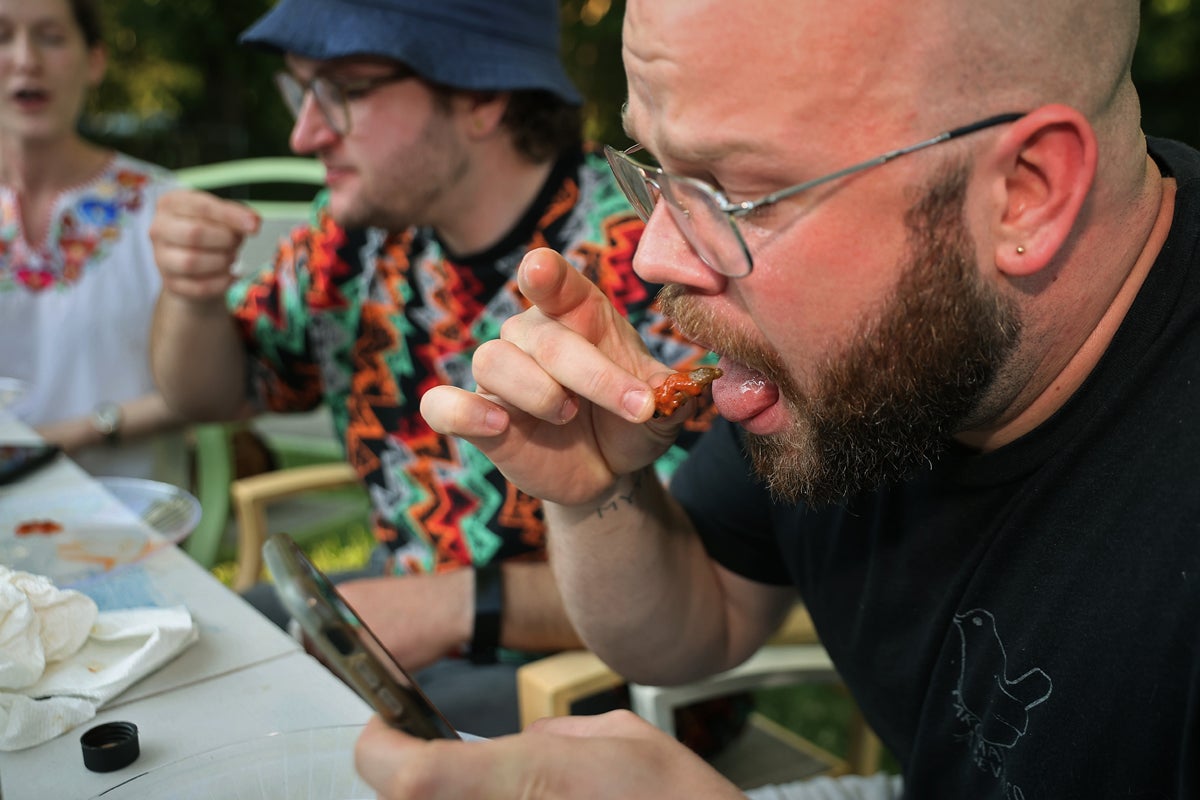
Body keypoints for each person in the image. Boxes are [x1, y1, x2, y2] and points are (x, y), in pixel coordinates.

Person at [396, 0, 1200, 796]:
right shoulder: (866, 358)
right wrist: (597, 494)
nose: (654, 257)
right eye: (656, 169)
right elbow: (702, 620)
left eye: (736, 193)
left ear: (1023, 195)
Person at [147, 0, 713, 737]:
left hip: (599, 685)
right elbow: (210, 394)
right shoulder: (355, 240)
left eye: (343, 91)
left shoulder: (644, 260)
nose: (304, 132)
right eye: (300, 90)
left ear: (479, 97)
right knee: (179, 652)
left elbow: (704, 567)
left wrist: (448, 605)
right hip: (406, 622)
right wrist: (189, 297)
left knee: (283, 739)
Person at [0, 0, 187, 485]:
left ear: (95, 60)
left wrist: (76, 432)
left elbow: (206, 392)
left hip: (125, 523)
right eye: (1, 37)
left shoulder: (162, 209)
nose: (25, 60)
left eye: (52, 37)